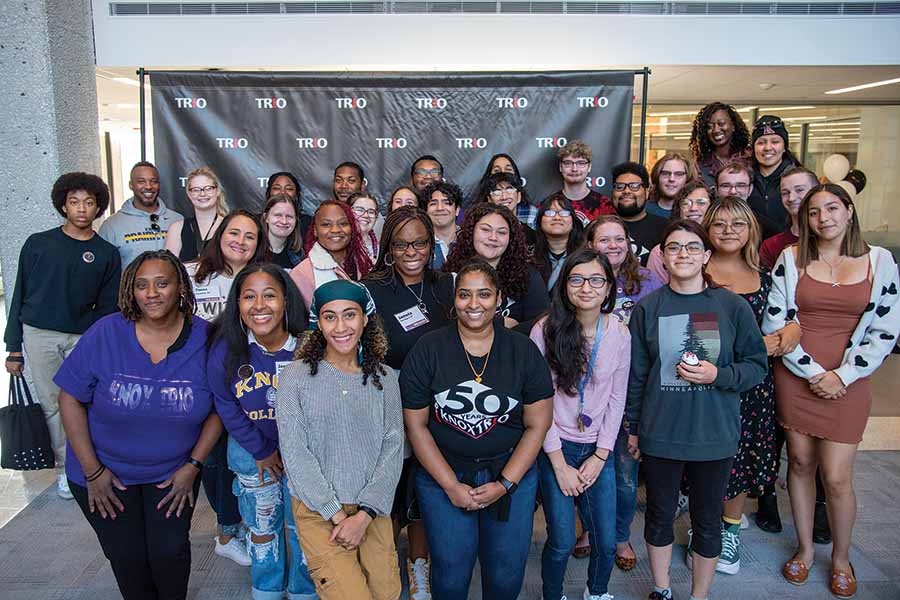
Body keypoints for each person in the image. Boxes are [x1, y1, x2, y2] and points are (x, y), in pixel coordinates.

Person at [55, 250, 222, 600]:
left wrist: (194, 465)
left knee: (169, 553)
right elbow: (69, 398)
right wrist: (92, 472)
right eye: (142, 285)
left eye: (162, 283)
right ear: (131, 290)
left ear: (180, 287)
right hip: (104, 473)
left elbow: (219, 408)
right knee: (127, 558)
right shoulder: (106, 332)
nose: (152, 293)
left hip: (174, 473)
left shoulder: (207, 338)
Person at [762, 184, 900, 599]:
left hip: (850, 381)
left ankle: (841, 557)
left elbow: (886, 329)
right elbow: (775, 322)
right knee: (801, 463)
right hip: (796, 374)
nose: (824, 218)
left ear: (849, 212)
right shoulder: (791, 258)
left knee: (837, 476)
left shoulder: (880, 261)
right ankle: (804, 550)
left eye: (832, 209)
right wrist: (811, 372)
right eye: (815, 212)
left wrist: (841, 375)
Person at [626, 220, 767, 600]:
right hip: (661, 433)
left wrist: (717, 374)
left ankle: (699, 595)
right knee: (658, 516)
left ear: (706, 256)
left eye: (691, 247)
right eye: (674, 247)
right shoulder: (648, 309)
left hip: (713, 434)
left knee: (707, 520)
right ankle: (661, 588)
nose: (683, 254)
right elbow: (637, 375)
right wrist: (634, 428)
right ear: (662, 258)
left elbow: (757, 365)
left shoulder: (732, 306)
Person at [401, 260, 554, 600]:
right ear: (452, 301)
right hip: (444, 475)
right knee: (451, 572)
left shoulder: (522, 349)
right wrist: (450, 484)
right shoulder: (429, 349)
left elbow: (537, 423)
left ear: (499, 298)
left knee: (506, 571)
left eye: (484, 294)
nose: (474, 304)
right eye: (464, 295)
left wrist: (505, 483)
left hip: (510, 474)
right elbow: (416, 426)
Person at [277, 280, 404, 600]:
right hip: (320, 511)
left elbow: (393, 447)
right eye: (329, 317)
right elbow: (295, 453)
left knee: (386, 593)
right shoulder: (295, 377)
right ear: (317, 323)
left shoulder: (386, 379)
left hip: (372, 510)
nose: (341, 326)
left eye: (350, 315)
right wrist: (337, 514)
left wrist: (363, 516)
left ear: (365, 319)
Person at [4, 172, 121, 500]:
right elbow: (19, 296)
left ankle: (90, 462)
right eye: (74, 202)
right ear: (63, 206)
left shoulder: (106, 252)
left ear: (98, 208)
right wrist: (13, 348)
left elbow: (108, 306)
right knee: (53, 403)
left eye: (88, 202)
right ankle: (66, 468)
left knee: (86, 401)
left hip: (82, 337)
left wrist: (95, 341)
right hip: (39, 334)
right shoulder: (38, 244)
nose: (81, 209)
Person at [206, 263, 317, 600]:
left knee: (303, 527)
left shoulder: (309, 346)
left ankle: (303, 589)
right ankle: (267, 587)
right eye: (249, 297)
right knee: (263, 526)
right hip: (251, 450)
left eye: (270, 295)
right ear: (236, 304)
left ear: (287, 301)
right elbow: (226, 404)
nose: (259, 305)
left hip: (304, 451)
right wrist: (261, 450)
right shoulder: (226, 347)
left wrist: (295, 450)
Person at [362, 206, 456, 600]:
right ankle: (383, 561)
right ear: (389, 248)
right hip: (389, 401)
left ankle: (419, 564)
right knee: (390, 487)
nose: (411, 251)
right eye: (401, 244)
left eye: (419, 242)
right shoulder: (371, 288)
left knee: (426, 486)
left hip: (441, 403)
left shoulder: (446, 284)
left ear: (431, 244)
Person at [531, 249, 630, 600]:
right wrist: (560, 465)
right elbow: (539, 403)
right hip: (554, 446)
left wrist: (601, 455)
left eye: (596, 280)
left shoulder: (618, 332)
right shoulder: (545, 330)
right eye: (577, 279)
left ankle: (597, 592)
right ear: (564, 285)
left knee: (605, 540)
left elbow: (617, 399)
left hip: (597, 449)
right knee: (559, 540)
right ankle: (552, 594)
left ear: (608, 289)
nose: (586, 287)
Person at [701, 197, 778, 575]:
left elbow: (781, 330)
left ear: (750, 230)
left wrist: (779, 339)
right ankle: (706, 525)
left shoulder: (766, 275)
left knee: (741, 459)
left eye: (737, 224)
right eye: (719, 224)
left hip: (752, 388)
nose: (728, 231)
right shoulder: (697, 272)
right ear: (707, 229)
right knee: (706, 459)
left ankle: (729, 530)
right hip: (704, 383)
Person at [584, 214, 663, 568]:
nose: (613, 246)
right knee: (588, 466)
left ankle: (619, 536)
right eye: (604, 239)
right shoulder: (581, 278)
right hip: (590, 392)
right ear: (590, 245)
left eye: (619, 239)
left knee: (625, 474)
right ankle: (588, 529)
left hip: (632, 393)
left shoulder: (647, 281)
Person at [188, 209, 266, 566]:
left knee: (231, 457)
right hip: (197, 378)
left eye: (250, 236)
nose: (241, 241)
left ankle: (236, 527)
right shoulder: (193, 275)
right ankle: (225, 531)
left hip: (242, 380)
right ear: (220, 235)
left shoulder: (259, 279)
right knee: (213, 458)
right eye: (234, 233)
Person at [443, 203, 549, 331]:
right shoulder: (450, 273)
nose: (493, 237)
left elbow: (542, 322)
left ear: (511, 238)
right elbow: (444, 320)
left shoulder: (528, 275)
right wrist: (499, 322)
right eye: (485, 230)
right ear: (471, 232)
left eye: (502, 232)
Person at [290, 200, 374, 306]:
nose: (335, 230)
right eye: (326, 224)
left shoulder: (364, 264)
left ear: (352, 228)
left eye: (343, 223)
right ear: (315, 230)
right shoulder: (301, 274)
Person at [99, 161, 183, 268]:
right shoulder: (112, 225)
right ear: (131, 185)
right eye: (141, 181)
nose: (148, 186)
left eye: (154, 181)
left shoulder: (177, 220)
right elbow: (104, 270)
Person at [646, 181, 714, 283]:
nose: (693, 208)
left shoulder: (721, 246)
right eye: (686, 203)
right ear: (678, 210)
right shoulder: (661, 253)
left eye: (701, 202)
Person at [748, 116, 801, 235]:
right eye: (761, 143)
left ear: (784, 147)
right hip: (750, 250)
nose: (767, 148)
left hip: (791, 248)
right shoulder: (744, 181)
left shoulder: (800, 180)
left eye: (775, 142)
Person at [609, 161, 668, 266]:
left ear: (647, 191)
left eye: (634, 186)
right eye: (620, 186)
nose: (626, 191)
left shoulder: (666, 229)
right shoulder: (599, 227)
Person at [760, 166, 819, 269]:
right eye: (785, 193)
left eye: (799, 190)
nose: (791, 198)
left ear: (816, 191)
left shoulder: (831, 239)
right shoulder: (771, 246)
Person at [165, 167, 228, 261]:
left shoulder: (229, 226)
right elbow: (170, 267)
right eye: (196, 190)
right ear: (189, 194)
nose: (202, 194)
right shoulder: (176, 229)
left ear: (217, 191)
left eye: (208, 188)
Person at [689, 102, 752, 189]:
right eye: (709, 127)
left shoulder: (750, 158)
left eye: (721, 124)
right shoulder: (700, 167)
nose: (715, 130)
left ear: (733, 126)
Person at [715, 160, 781, 243]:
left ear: (750, 189)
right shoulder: (707, 223)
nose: (733, 191)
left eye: (740, 185)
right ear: (716, 190)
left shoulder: (767, 228)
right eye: (726, 186)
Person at [550, 139, 614, 223]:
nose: (574, 169)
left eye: (581, 163)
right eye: (568, 163)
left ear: (589, 167)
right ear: (560, 167)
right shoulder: (549, 204)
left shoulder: (605, 205)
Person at [532, 193, 584, 289]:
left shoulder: (585, 257)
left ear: (573, 222)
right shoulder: (529, 257)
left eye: (564, 213)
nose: (557, 218)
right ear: (540, 222)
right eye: (549, 213)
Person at [479, 172, 537, 246]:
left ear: (519, 196)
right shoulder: (482, 231)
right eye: (497, 191)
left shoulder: (530, 235)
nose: (504, 197)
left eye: (509, 190)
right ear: (489, 199)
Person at [479, 153, 536, 229]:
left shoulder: (531, 213)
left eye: (508, 170)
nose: (504, 196)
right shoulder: (479, 216)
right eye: (497, 171)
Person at [420, 181, 461, 270]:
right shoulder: (419, 243)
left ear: (457, 210)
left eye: (446, 203)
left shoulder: (471, 239)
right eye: (433, 203)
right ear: (426, 211)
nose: (440, 208)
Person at [646, 152, 696, 219]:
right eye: (665, 173)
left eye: (678, 174)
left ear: (688, 178)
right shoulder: (643, 210)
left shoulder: (694, 212)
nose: (671, 179)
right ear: (657, 176)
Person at [265, 171, 311, 241]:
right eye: (277, 188)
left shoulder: (308, 223)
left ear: (296, 195)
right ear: (269, 193)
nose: (283, 192)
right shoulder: (256, 222)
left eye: (289, 189)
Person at [262, 193, 304, 269]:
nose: (284, 221)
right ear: (266, 218)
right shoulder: (253, 251)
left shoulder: (298, 256)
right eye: (278, 215)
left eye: (289, 216)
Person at [349, 191, 380, 262]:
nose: (366, 215)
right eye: (359, 210)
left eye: (371, 212)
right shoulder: (339, 244)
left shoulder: (380, 250)